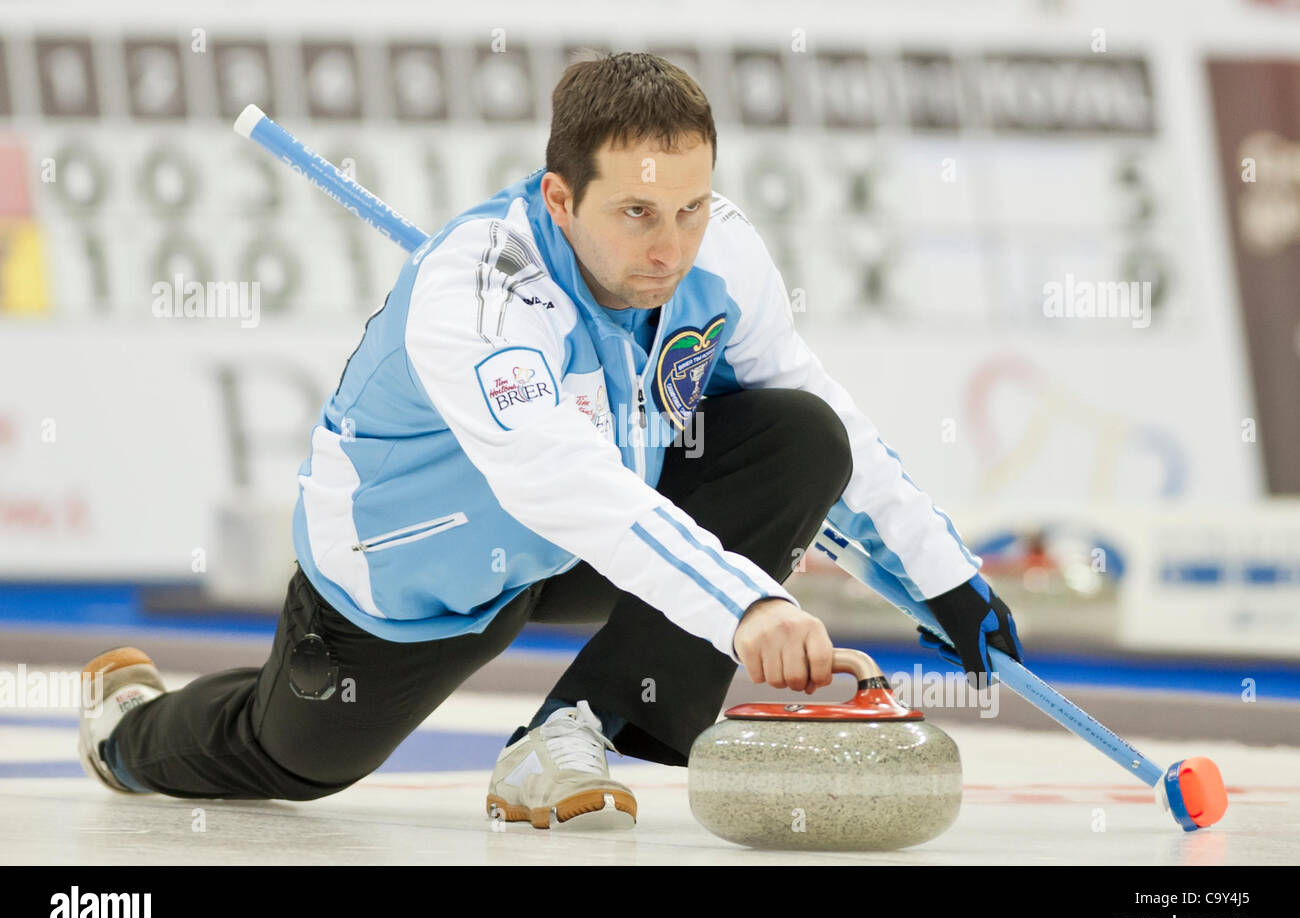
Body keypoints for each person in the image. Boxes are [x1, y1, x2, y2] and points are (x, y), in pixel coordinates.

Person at [78, 52, 1023, 829]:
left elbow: (816, 411)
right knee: (292, 761)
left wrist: (939, 577)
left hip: (586, 535)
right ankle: (126, 730)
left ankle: (577, 726)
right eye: (638, 213)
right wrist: (749, 610)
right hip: (416, 574)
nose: (672, 248)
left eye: (691, 207)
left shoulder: (719, 251)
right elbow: (558, 482)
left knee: (801, 437)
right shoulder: (479, 291)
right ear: (560, 199)